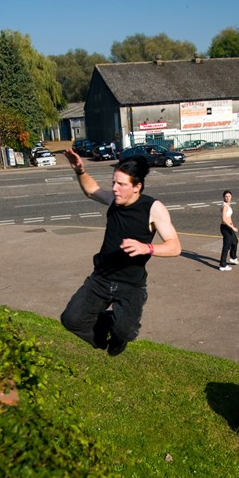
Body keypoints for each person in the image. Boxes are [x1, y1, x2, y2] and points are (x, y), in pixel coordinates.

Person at [61, 148, 181, 356]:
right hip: (101, 278)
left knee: (125, 332)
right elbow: (91, 190)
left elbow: (175, 246)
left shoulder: (153, 208)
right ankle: (104, 331)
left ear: (137, 187)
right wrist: (80, 171)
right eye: (114, 182)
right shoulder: (113, 201)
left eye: (121, 184)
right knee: (71, 320)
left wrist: (147, 248)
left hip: (130, 284)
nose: (115, 188)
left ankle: (118, 330)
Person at [219, 189, 239, 271]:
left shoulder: (228, 205)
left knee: (235, 241)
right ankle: (223, 265)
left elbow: (229, 217)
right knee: (226, 246)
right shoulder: (224, 206)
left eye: (229, 196)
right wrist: (232, 227)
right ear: (223, 197)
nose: (227, 198)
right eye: (226, 196)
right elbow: (224, 219)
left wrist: (232, 224)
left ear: (231, 197)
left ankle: (233, 257)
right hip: (225, 227)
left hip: (229, 226)